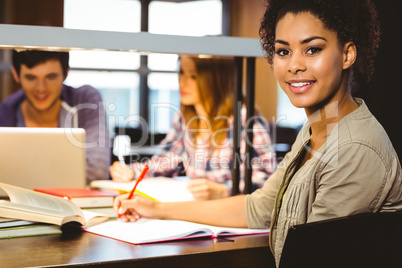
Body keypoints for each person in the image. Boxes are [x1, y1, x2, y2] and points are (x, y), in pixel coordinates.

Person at [114, 0, 402, 266]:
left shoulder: (355, 148)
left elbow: (312, 258)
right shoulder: (316, 131)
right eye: (283, 51)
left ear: (348, 54)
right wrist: (156, 209)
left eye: (312, 49)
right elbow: (259, 207)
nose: (295, 65)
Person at [110, 56, 276, 200]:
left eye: (194, 76)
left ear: (217, 79)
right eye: (181, 72)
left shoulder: (246, 120)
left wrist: (224, 190)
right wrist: (131, 172)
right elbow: (165, 160)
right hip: (196, 210)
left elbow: (269, 180)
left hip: (232, 215)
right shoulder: (184, 119)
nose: (183, 82)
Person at [0, 50, 110, 183]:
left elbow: (97, 171)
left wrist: (21, 175)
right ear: (16, 74)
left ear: (66, 73)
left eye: (51, 77)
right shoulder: (5, 113)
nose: (41, 88)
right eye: (31, 77)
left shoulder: (85, 101)